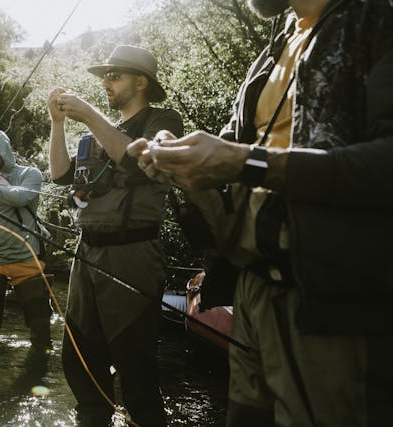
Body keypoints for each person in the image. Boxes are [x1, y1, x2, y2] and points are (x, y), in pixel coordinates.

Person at [128, 1, 393, 425]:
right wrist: (179, 158)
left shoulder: (378, 21)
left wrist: (244, 162)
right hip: (250, 291)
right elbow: (236, 153)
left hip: (330, 303)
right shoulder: (277, 44)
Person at [47, 45, 183, 426]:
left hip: (132, 253)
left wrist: (88, 115)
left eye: (114, 75)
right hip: (85, 256)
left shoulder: (163, 119)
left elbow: (143, 164)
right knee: (80, 363)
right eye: (103, 76)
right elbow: (60, 176)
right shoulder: (101, 134)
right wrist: (57, 123)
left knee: (134, 368)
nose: (105, 82)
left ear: (141, 82)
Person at [0, 129, 53, 353]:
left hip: (25, 256)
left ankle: (39, 368)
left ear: (3, 148)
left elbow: (20, 197)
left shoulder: (30, 173)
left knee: (39, 324)